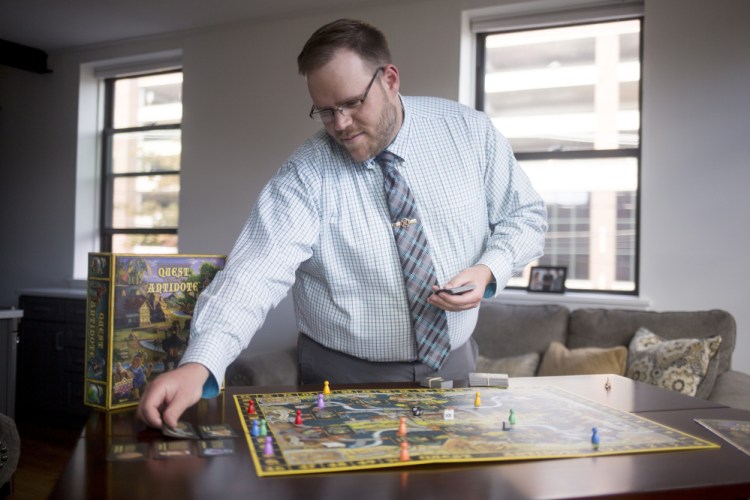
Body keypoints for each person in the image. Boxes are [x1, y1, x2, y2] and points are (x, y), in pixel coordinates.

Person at [137, 18, 547, 429]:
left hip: (454, 362)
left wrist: (489, 268)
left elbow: (525, 215)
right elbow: (253, 275)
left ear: (389, 79)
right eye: (326, 111)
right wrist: (200, 363)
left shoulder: (468, 132)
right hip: (343, 378)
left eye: (352, 103)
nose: (341, 124)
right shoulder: (304, 175)